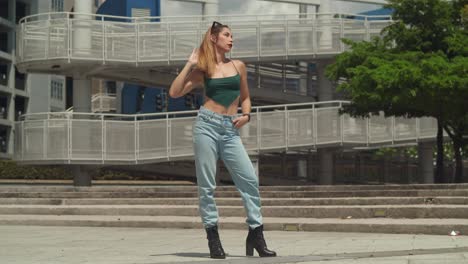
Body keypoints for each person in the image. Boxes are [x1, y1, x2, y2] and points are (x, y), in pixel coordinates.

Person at [169, 21, 276, 259]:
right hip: (206, 125)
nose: (231, 39)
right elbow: (174, 92)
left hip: (230, 130)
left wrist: (246, 115)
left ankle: (256, 235)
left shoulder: (239, 66)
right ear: (214, 39)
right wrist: (189, 63)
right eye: (227, 35)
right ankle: (213, 239)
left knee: (249, 180)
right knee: (207, 186)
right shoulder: (203, 69)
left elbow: (246, 97)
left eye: (232, 36)